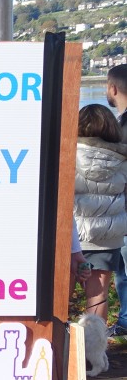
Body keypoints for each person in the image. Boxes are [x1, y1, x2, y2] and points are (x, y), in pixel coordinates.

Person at [73, 104, 127, 321]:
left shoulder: (69, 154)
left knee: (61, 293)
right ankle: (94, 351)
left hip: (73, 236)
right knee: (98, 295)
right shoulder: (122, 160)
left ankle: (61, 347)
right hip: (107, 238)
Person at [105, 65, 127, 336]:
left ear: (113, 89)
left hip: (123, 205)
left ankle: (125, 321)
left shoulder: (121, 128)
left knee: (124, 272)